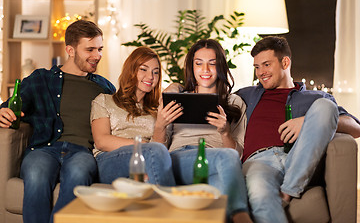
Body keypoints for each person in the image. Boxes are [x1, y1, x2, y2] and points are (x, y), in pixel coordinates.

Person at [0, 20, 116, 223]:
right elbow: (10, 106)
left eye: (99, 49)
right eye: (89, 49)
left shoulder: (105, 88)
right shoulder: (41, 79)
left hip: (82, 152)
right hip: (44, 149)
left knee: (79, 173)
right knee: (36, 174)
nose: (97, 56)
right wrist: (2, 112)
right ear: (70, 50)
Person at [235, 36, 360, 222]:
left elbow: (356, 128)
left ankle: (288, 190)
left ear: (285, 62)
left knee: (326, 106)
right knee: (260, 191)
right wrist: (177, 87)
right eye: (257, 67)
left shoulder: (315, 97)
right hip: (260, 162)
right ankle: (287, 193)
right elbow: (212, 97)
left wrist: (307, 121)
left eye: (266, 65)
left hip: (300, 157)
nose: (261, 72)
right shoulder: (247, 94)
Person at [154, 39, 253, 223]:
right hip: (180, 159)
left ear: (221, 67)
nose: (205, 70)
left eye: (212, 64)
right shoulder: (177, 98)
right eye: (199, 63)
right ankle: (242, 216)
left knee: (218, 190)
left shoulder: (234, 103)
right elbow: (156, 152)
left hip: (216, 162)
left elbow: (237, 154)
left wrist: (224, 132)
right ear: (192, 67)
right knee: (226, 159)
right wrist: (160, 125)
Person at [90, 46, 176, 186]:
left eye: (156, 72)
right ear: (131, 70)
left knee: (150, 170)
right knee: (153, 151)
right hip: (109, 161)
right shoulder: (104, 100)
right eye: (143, 69)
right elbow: (101, 140)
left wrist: (160, 125)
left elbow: (161, 151)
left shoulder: (158, 109)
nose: (150, 77)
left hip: (147, 159)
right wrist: (142, 146)